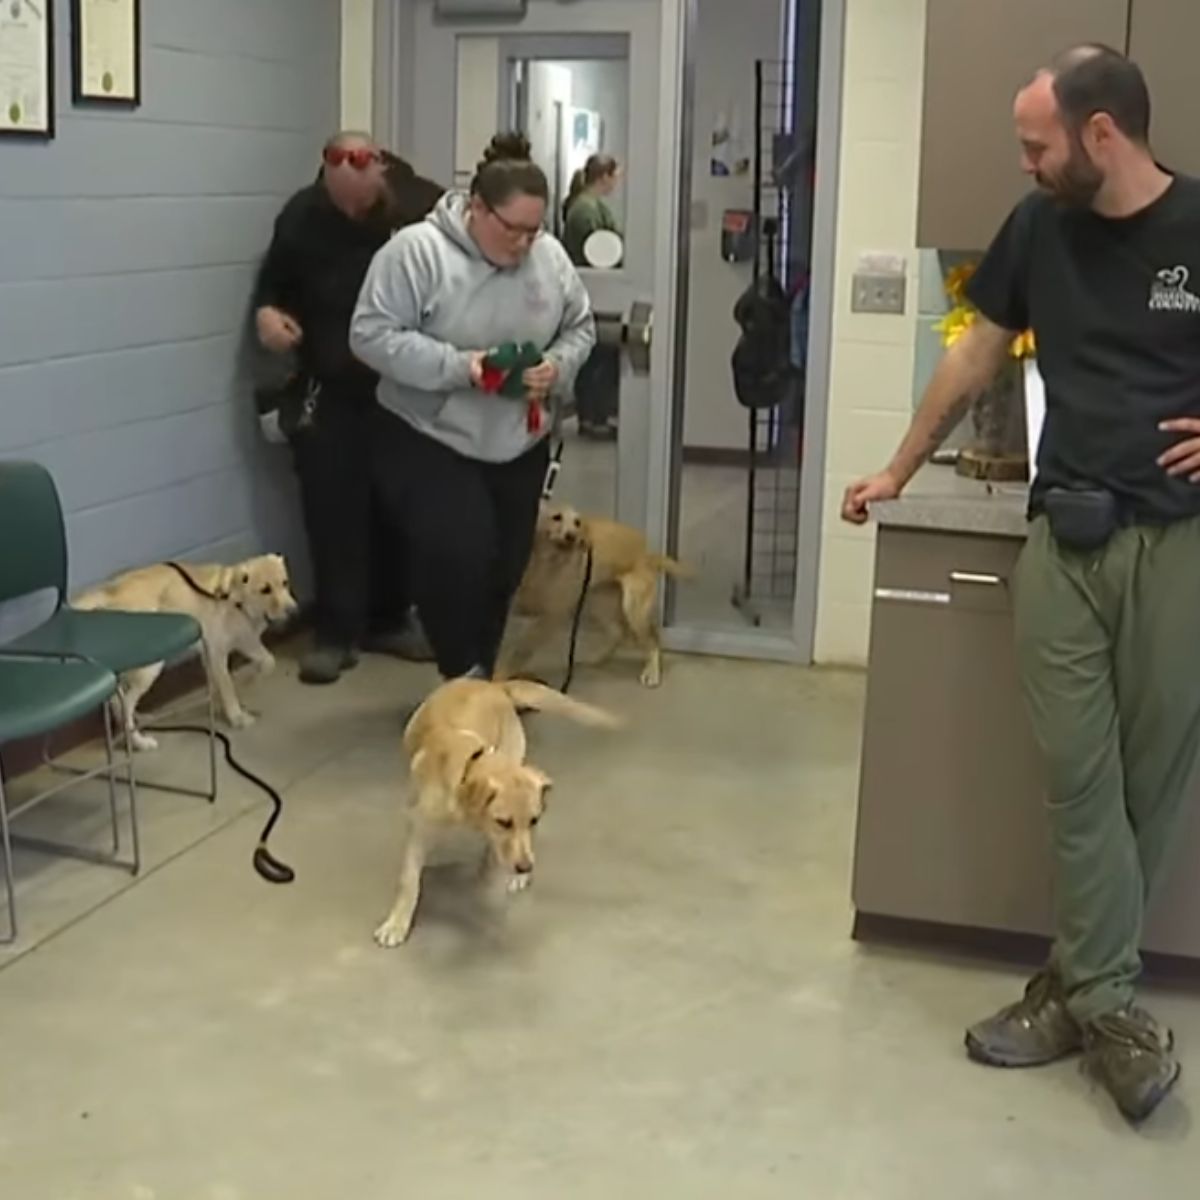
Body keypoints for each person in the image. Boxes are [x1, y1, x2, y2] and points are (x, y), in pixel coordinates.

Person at [843, 45, 1200, 1124]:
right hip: (1067, 546)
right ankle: (1114, 1012)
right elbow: (973, 356)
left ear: (1103, 135)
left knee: (1150, 786)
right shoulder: (1037, 226)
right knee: (1082, 783)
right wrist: (899, 467)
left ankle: (1073, 996)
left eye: (1037, 144)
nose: (1024, 162)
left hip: (1179, 547)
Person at [349, 132, 596, 681]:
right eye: (513, 230)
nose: (525, 244)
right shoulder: (415, 253)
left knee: (503, 567)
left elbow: (579, 327)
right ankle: (462, 677)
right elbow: (369, 336)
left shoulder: (549, 258)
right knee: (457, 554)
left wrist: (557, 366)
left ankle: (479, 675)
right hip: (426, 434)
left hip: (517, 437)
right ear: (477, 209)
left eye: (535, 230)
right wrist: (463, 367)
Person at [253, 131, 442, 685]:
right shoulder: (302, 217)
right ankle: (336, 631)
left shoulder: (414, 209)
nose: (353, 207)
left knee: (397, 506)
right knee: (332, 510)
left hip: (401, 385)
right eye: (342, 196)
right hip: (328, 385)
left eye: (361, 195)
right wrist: (269, 315)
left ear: (380, 170)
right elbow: (274, 286)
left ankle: (389, 618)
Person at [563, 154, 622, 439]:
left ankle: (597, 413)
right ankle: (592, 416)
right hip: (591, 290)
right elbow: (598, 252)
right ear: (604, 176)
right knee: (596, 359)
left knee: (600, 358)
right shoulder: (584, 211)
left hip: (596, 289)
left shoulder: (590, 207)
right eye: (615, 175)